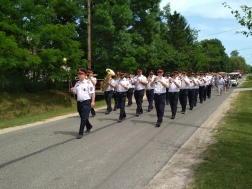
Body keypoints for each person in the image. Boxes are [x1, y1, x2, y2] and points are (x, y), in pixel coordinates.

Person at [71, 69, 95, 139]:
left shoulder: (88, 83)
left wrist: (93, 102)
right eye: (78, 74)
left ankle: (80, 133)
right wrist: (73, 91)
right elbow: (75, 92)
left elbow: (93, 93)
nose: (79, 75)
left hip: (86, 102)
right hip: (79, 102)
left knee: (83, 118)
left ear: (84, 75)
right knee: (83, 117)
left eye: (81, 74)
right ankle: (89, 126)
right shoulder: (77, 83)